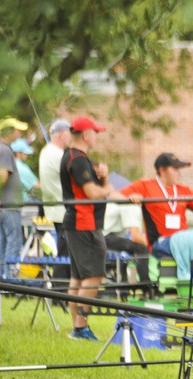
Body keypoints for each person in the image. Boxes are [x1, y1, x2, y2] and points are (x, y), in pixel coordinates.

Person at [119, 153, 193, 304]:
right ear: (162, 170)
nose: (179, 173)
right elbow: (115, 195)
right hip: (162, 242)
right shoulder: (145, 185)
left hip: (183, 238)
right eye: (175, 169)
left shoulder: (183, 190)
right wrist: (131, 197)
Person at [61, 116, 116, 341]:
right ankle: (80, 328)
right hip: (85, 225)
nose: (97, 136)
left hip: (77, 224)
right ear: (85, 135)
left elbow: (90, 189)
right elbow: (92, 193)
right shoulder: (79, 160)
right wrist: (109, 187)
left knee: (77, 278)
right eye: (95, 132)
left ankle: (77, 327)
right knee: (93, 277)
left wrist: (103, 178)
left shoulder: (71, 156)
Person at [0, 116, 29, 278]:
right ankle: (10, 279)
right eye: (17, 130)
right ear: (9, 132)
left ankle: (2, 277)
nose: (19, 133)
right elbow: (3, 175)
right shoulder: (4, 150)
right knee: (14, 240)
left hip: (2, 204)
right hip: (9, 205)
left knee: (4, 241)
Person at [38, 119, 72, 287]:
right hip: (63, 210)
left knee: (64, 250)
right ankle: (60, 290)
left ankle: (62, 288)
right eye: (69, 132)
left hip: (56, 210)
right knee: (65, 251)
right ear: (61, 134)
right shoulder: (57, 155)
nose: (71, 136)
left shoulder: (46, 151)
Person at [102, 195, 151, 290]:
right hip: (105, 236)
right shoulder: (132, 206)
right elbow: (136, 236)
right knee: (142, 249)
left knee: (129, 249)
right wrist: (153, 246)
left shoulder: (123, 202)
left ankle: (126, 286)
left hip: (101, 235)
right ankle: (146, 286)